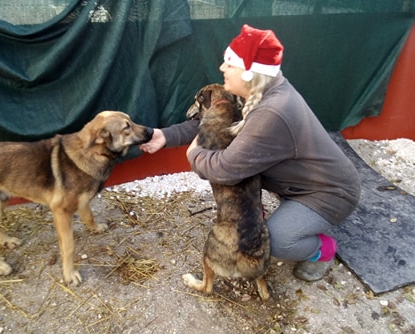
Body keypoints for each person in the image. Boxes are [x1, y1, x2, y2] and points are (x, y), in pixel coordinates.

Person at [140, 24, 361, 281]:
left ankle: (323, 250)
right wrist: (165, 136)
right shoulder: (259, 90)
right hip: (298, 184)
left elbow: (225, 170)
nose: (222, 68)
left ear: (248, 73)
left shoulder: (272, 112)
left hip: (329, 193)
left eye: (230, 64)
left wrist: (195, 153)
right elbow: (213, 122)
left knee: (276, 241)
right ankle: (296, 215)